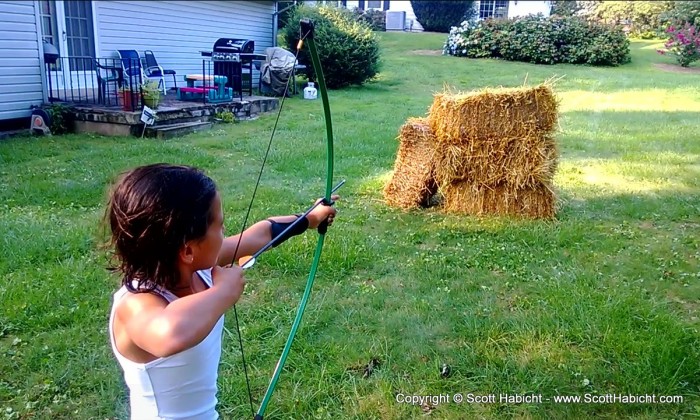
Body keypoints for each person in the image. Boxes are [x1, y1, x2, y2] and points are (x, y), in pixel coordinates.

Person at [105, 163, 338, 419]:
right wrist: (224, 292)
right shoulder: (136, 303)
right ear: (188, 251)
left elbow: (260, 235)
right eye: (219, 226)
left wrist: (310, 218)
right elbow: (170, 333)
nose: (225, 233)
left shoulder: (199, 268)